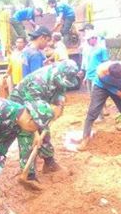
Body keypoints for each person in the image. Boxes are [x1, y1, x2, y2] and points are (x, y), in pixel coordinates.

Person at [10, 60, 79, 188]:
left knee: (45, 131)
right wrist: (35, 132)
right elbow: (32, 113)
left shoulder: (59, 76)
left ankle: (49, 163)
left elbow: (60, 92)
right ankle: (29, 174)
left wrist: (59, 104)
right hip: (22, 104)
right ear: (58, 74)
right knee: (28, 135)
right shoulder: (38, 82)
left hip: (39, 103)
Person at [78, 61, 121, 150]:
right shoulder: (102, 71)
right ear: (109, 73)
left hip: (118, 87)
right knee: (92, 112)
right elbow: (105, 84)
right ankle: (85, 138)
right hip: (101, 87)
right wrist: (117, 93)